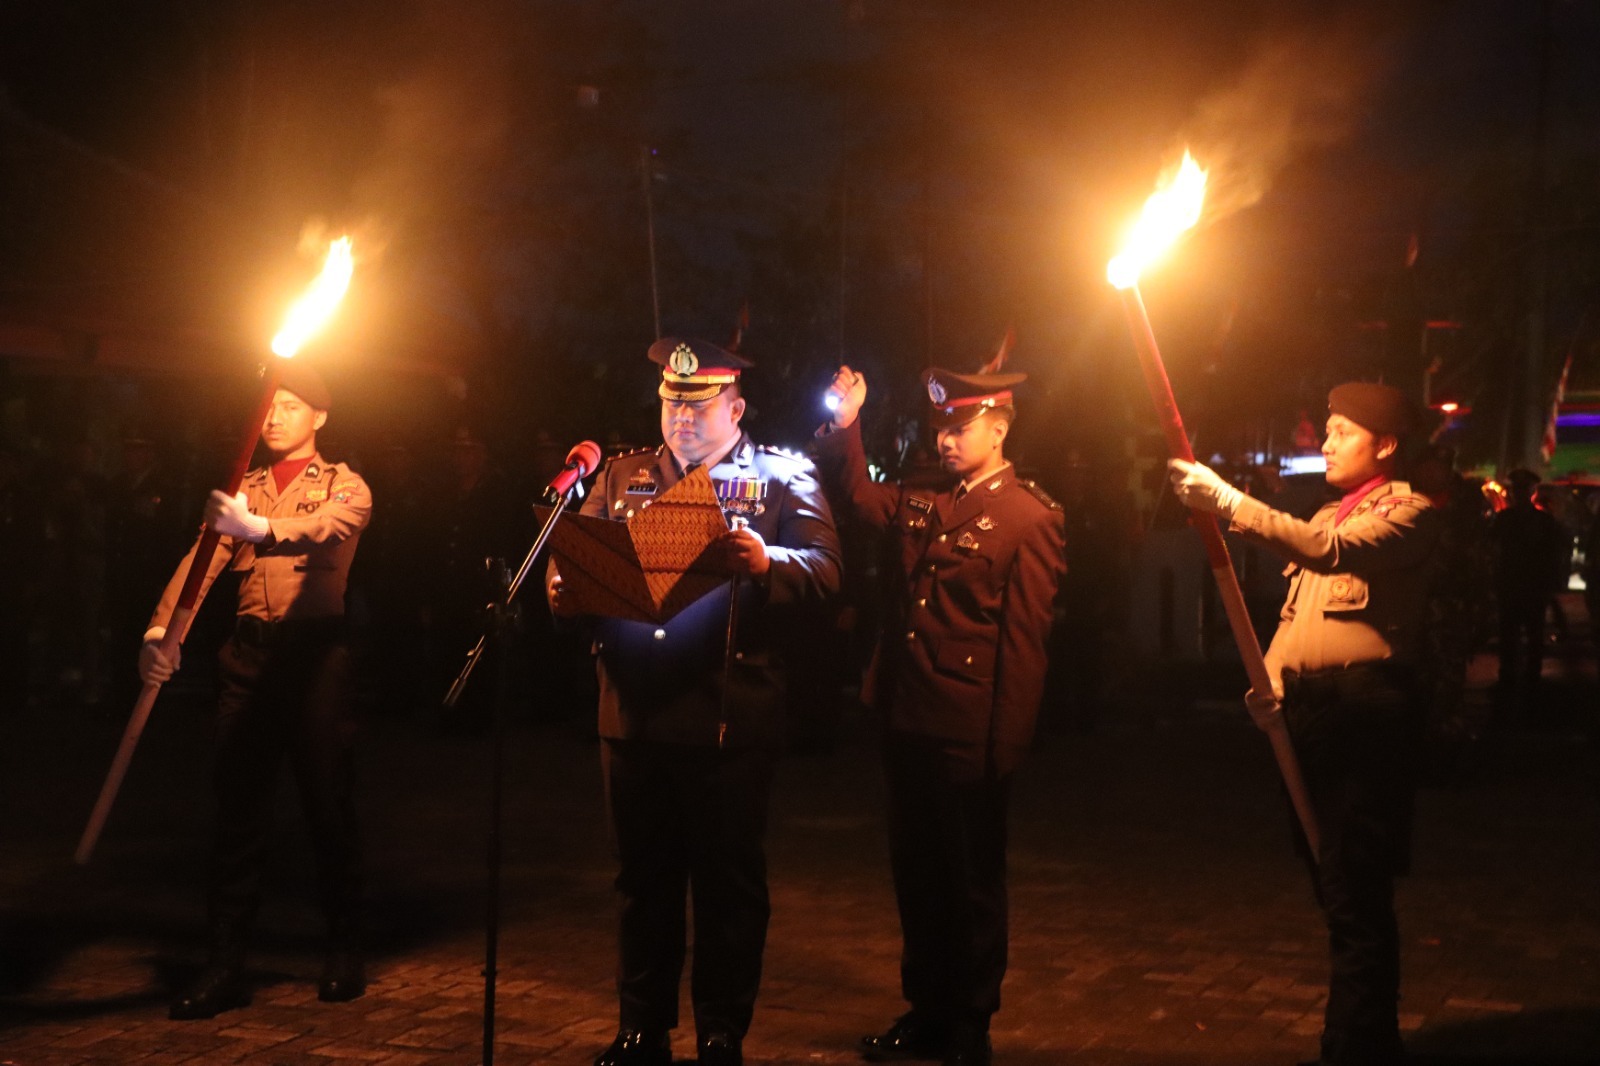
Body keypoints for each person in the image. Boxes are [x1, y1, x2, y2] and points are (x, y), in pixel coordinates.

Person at [548, 337, 842, 1066]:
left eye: (699, 406)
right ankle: (641, 1026)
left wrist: (767, 559)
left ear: (735, 408)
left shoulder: (779, 476)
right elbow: (593, 568)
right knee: (640, 880)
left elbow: (829, 569)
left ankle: (720, 1031)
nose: (681, 419)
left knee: (727, 883)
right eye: (671, 404)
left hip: (726, 711)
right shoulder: (620, 476)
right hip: (636, 709)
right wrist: (566, 593)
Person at [1168, 381, 1438, 1066]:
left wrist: (1229, 501)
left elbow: (1329, 554)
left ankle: (1358, 1042)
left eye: (1343, 430)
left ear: (1386, 444)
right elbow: (1300, 612)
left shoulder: (1409, 512)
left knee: (1355, 883)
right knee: (1328, 877)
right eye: (1327, 428)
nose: (1325, 441)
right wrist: (1273, 681)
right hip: (1312, 713)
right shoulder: (1324, 512)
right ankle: (1358, 1031)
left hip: (1365, 714)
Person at [811, 363, 1066, 1066]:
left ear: (999, 428)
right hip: (905, 712)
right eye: (940, 429)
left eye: (960, 428)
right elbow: (858, 495)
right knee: (917, 874)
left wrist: (1005, 747)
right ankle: (926, 1007)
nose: (946, 441)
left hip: (967, 727)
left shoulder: (1029, 517)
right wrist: (849, 422)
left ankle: (969, 1021)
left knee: (971, 883)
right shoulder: (925, 495)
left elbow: (1023, 646)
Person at [138, 362, 372, 1020]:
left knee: (328, 803)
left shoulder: (346, 484)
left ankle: (344, 948)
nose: (274, 416)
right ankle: (225, 963)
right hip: (248, 657)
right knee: (236, 810)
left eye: (291, 406)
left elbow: (331, 526)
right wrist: (163, 629)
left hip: (315, 660)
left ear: (319, 417)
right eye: (270, 405)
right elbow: (202, 560)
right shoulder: (245, 487)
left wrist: (261, 530)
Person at [1488, 468, 1568, 696]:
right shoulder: (1505, 519)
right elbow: (1493, 551)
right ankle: (1510, 675)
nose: (1520, 494)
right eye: (1517, 490)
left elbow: (1554, 554)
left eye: (1523, 489)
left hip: (1532, 586)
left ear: (1531, 492)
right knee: (1510, 634)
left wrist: (1550, 584)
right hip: (1512, 585)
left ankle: (1531, 675)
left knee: (1532, 634)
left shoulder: (1542, 521)